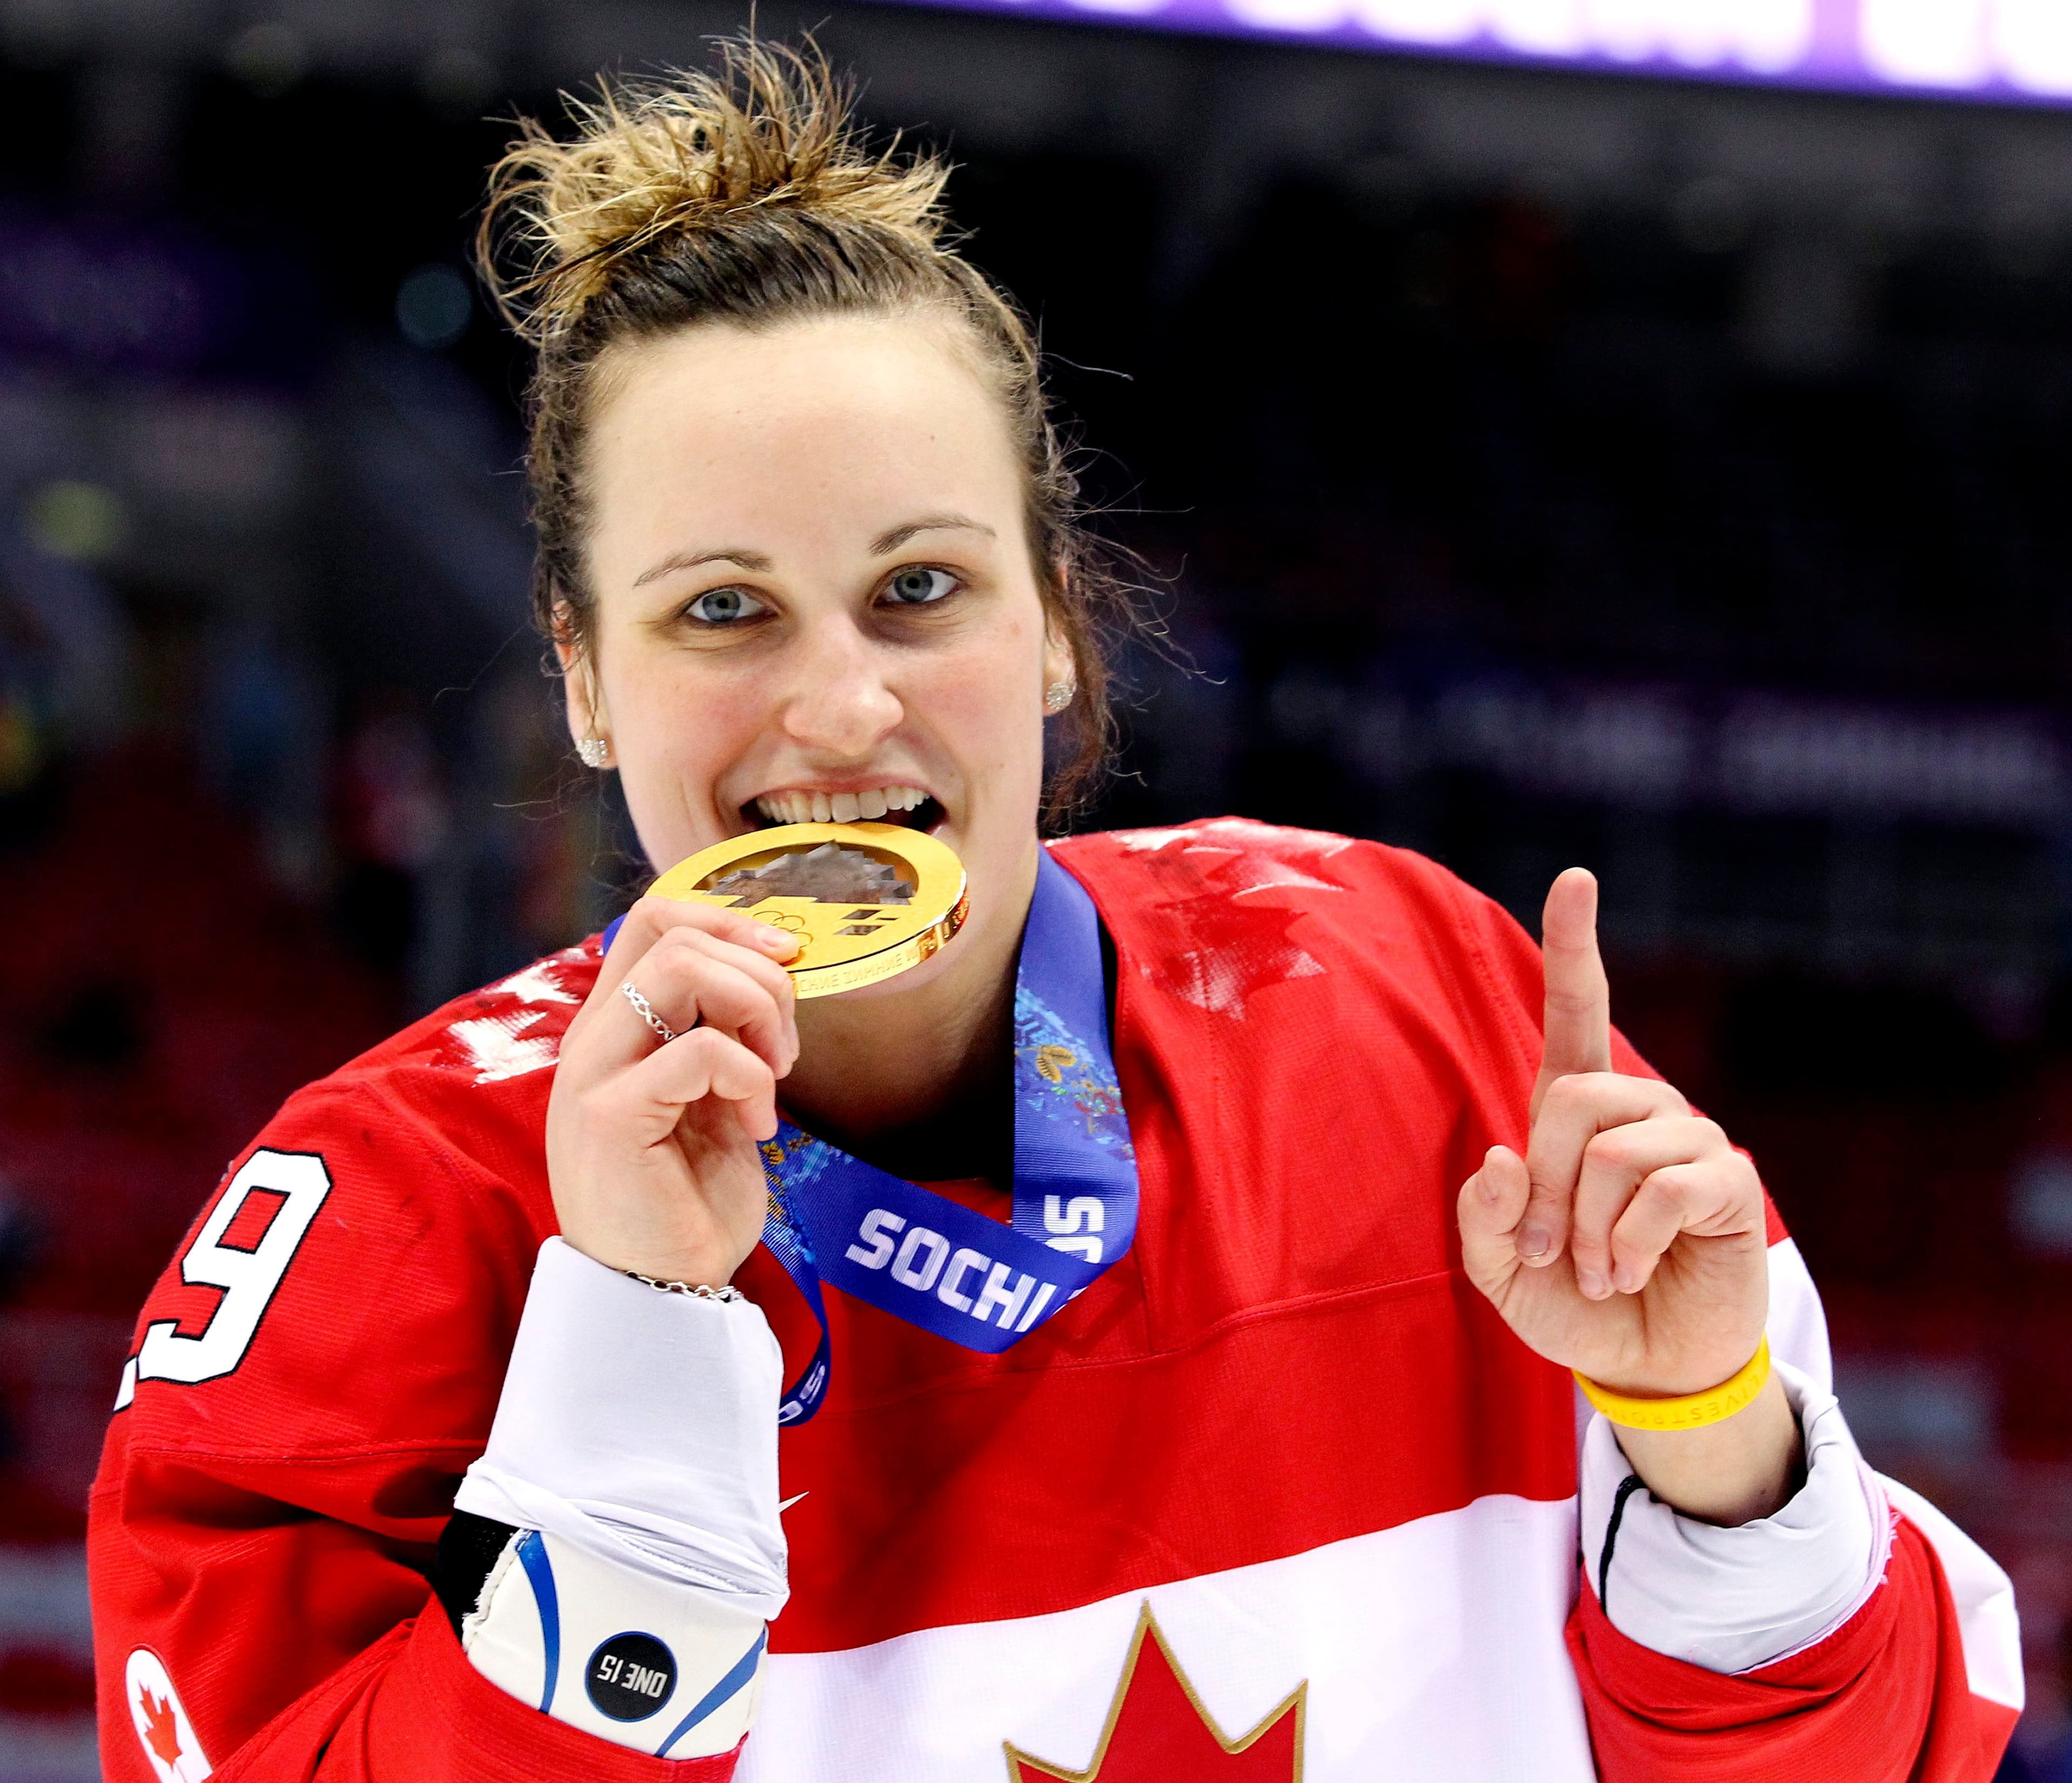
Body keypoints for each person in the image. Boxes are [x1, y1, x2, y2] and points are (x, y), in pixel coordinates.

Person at [90, 43, 2021, 1783]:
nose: (843, 707)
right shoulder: (379, 1240)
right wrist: (631, 1354)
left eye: (920, 589)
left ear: (1057, 625)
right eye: (722, 610)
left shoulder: (1422, 1013)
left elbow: (1871, 1754)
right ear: (585, 678)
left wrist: (1715, 1453)